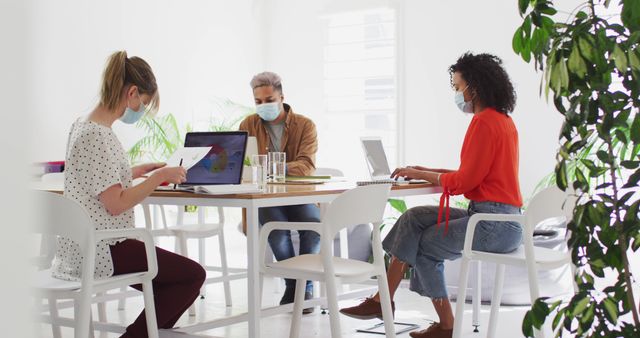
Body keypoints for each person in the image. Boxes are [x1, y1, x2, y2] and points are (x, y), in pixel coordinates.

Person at [340, 52, 524, 338]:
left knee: (425, 245)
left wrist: (425, 174)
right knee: (414, 217)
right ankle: (382, 300)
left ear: (473, 87)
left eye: (457, 86)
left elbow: (464, 181)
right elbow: (474, 173)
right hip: (500, 219)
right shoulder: (502, 121)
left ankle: (445, 326)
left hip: (491, 224)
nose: (456, 93)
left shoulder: (484, 122)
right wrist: (422, 169)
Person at [52, 51, 206, 338]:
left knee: (169, 282)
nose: (140, 111)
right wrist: (159, 177)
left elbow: (95, 179)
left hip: (79, 248)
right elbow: (115, 204)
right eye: (143, 104)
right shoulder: (98, 135)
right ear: (132, 92)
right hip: (103, 248)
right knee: (193, 275)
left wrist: (135, 172)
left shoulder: (83, 125)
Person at [239, 71, 320, 313]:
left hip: (296, 194)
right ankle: (295, 285)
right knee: (276, 230)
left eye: (269, 99)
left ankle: (303, 285)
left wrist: (269, 167)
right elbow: (241, 164)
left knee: (314, 225)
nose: (264, 106)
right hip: (264, 197)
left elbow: (306, 165)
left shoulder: (305, 125)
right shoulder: (248, 125)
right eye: (258, 102)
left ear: (281, 97)